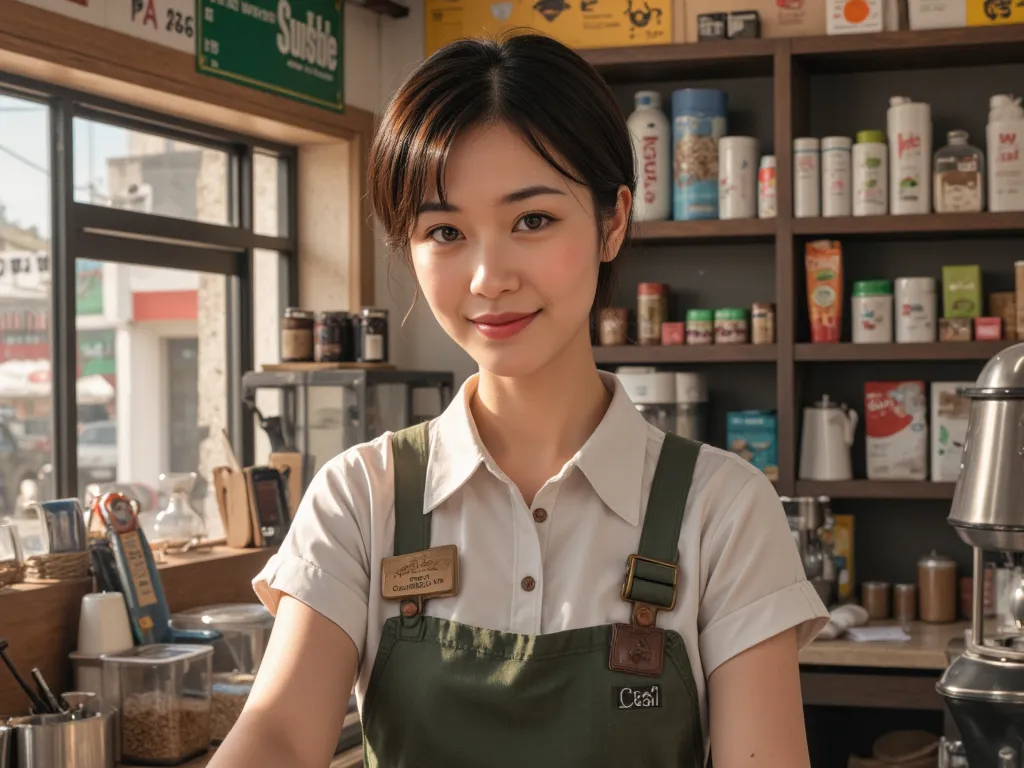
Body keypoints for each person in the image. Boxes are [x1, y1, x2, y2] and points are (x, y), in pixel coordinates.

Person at [211, 32, 829, 768]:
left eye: (532, 220)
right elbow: (277, 735)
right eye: (445, 231)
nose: (487, 276)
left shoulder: (722, 510)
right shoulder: (359, 498)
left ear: (613, 221)